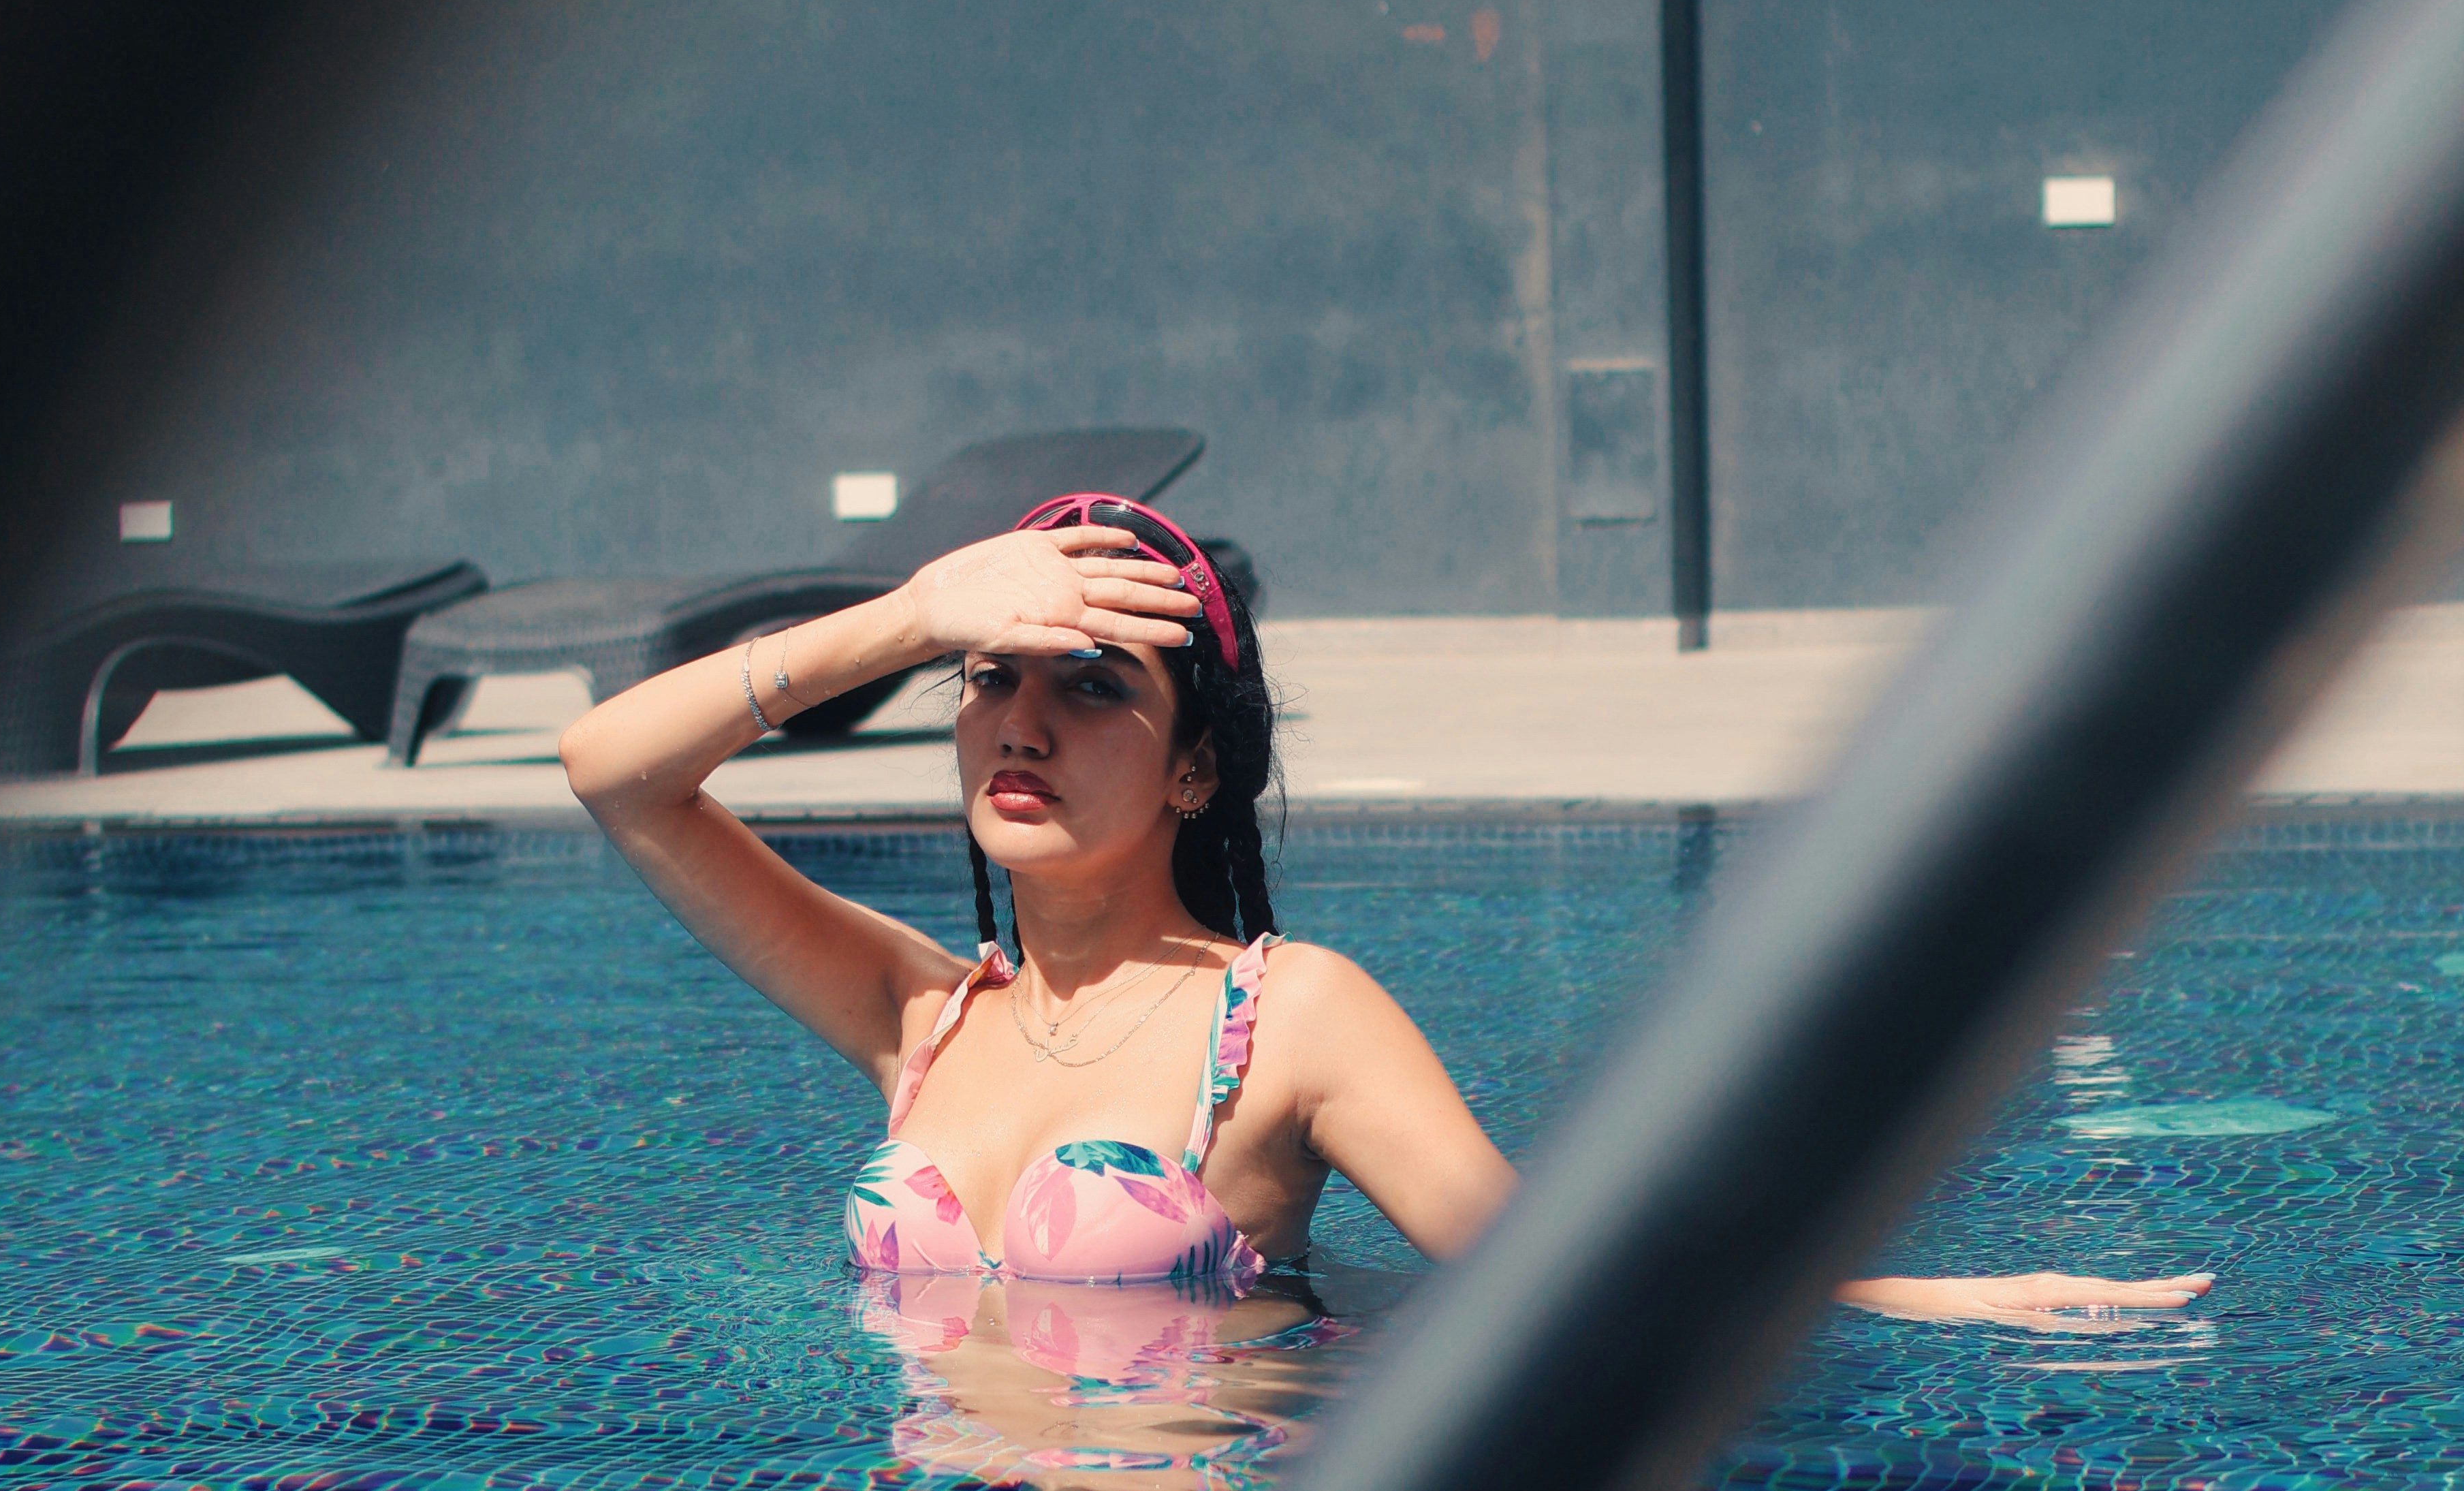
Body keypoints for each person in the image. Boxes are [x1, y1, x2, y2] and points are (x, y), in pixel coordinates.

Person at [559, 497, 2208, 1332]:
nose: (1021, 723)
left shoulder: (1284, 1020)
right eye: (988, 683)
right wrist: (906, 615)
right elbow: (618, 777)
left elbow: (1552, 1278)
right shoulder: (920, 1016)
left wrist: (1943, 1301)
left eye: (1087, 687)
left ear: (1195, 770)